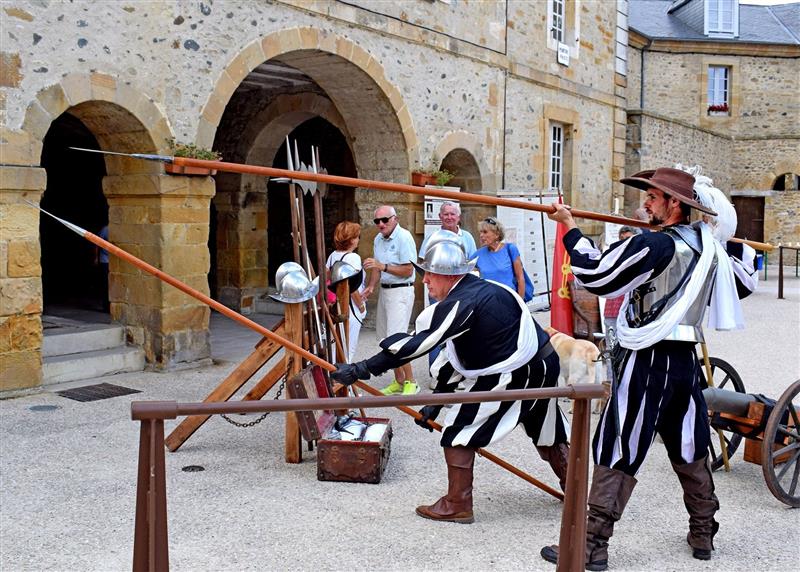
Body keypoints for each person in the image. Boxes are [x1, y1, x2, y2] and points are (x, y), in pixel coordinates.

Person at [540, 167, 756, 570]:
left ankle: (590, 546)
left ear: (676, 205)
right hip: (686, 361)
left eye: (654, 197)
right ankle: (703, 533)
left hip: (649, 357)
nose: (646, 203)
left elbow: (597, 273)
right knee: (689, 441)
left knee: (621, 441)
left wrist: (568, 226)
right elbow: (743, 284)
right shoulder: (710, 248)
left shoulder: (657, 245)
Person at [331, 240, 571, 522]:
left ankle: (457, 504)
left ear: (452, 276)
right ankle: (578, 491)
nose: (426, 280)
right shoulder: (485, 289)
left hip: (516, 371)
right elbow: (460, 356)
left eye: (431, 274)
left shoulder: (464, 301)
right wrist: (438, 401)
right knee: (547, 431)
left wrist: (360, 369)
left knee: (458, 431)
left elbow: (415, 345)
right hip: (543, 363)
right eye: (425, 273)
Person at [362, 205, 419, 396]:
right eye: (377, 221)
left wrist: (382, 266)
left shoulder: (404, 237)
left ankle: (412, 382)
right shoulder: (378, 239)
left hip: (401, 291)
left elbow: (408, 270)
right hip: (386, 291)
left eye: (384, 220)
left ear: (395, 219)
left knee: (398, 339)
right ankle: (399, 380)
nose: (380, 224)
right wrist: (371, 286)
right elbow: (377, 268)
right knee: (386, 339)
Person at [418, 201, 477, 371]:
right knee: (436, 330)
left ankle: (458, 371)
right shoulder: (432, 238)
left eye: (453, 214)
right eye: (446, 214)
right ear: (440, 217)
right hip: (438, 292)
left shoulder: (467, 237)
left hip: (461, 290)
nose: (449, 217)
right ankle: (436, 372)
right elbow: (423, 264)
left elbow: (472, 264)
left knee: (461, 329)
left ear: (458, 217)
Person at [326, 221, 366, 363]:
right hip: (350, 306)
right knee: (348, 348)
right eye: (357, 236)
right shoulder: (353, 258)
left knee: (336, 345)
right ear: (351, 239)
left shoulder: (332, 256)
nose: (358, 240)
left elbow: (327, 277)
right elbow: (351, 286)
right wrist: (361, 306)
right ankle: (343, 379)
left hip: (336, 305)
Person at [602, 226, 639, 346]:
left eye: (627, 238)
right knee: (612, 348)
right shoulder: (613, 255)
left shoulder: (641, 256)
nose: (624, 241)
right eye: (621, 238)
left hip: (632, 311)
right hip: (612, 309)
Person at [473, 217, 526, 299]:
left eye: (485, 232)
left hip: (508, 300)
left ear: (497, 235)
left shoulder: (510, 249)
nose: (481, 235)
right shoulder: (478, 254)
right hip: (487, 301)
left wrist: (520, 303)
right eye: (480, 232)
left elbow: (520, 278)